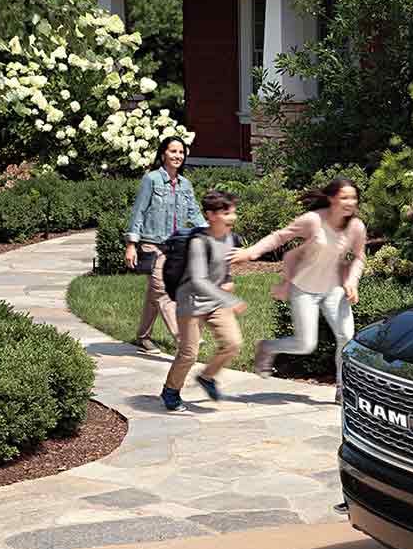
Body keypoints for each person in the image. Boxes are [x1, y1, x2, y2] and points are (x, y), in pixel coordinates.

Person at [229, 178, 367, 378]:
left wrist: (351, 281)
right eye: (344, 197)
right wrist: (251, 252)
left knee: (346, 337)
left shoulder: (356, 227)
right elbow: (279, 237)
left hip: (334, 289)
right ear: (331, 198)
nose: (350, 203)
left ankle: (342, 388)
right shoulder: (313, 220)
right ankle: (267, 347)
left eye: (353, 198)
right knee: (305, 345)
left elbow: (359, 256)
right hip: (304, 288)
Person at [162, 191, 248, 412]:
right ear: (210, 215)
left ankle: (207, 377)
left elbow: (223, 269)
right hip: (191, 301)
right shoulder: (199, 243)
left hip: (215, 301)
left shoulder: (230, 238)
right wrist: (229, 298)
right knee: (189, 353)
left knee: (233, 343)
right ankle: (171, 391)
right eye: (226, 213)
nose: (232, 217)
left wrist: (227, 281)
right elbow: (199, 280)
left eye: (233, 212)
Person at [123, 137, 199, 353]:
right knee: (164, 292)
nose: (177, 156)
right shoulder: (152, 180)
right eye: (173, 151)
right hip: (152, 245)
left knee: (153, 295)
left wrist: (212, 233)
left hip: (175, 247)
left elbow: (194, 212)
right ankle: (183, 338)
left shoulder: (185, 184)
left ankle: (143, 337)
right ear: (163, 154)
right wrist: (131, 244)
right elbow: (139, 212)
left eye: (181, 152)